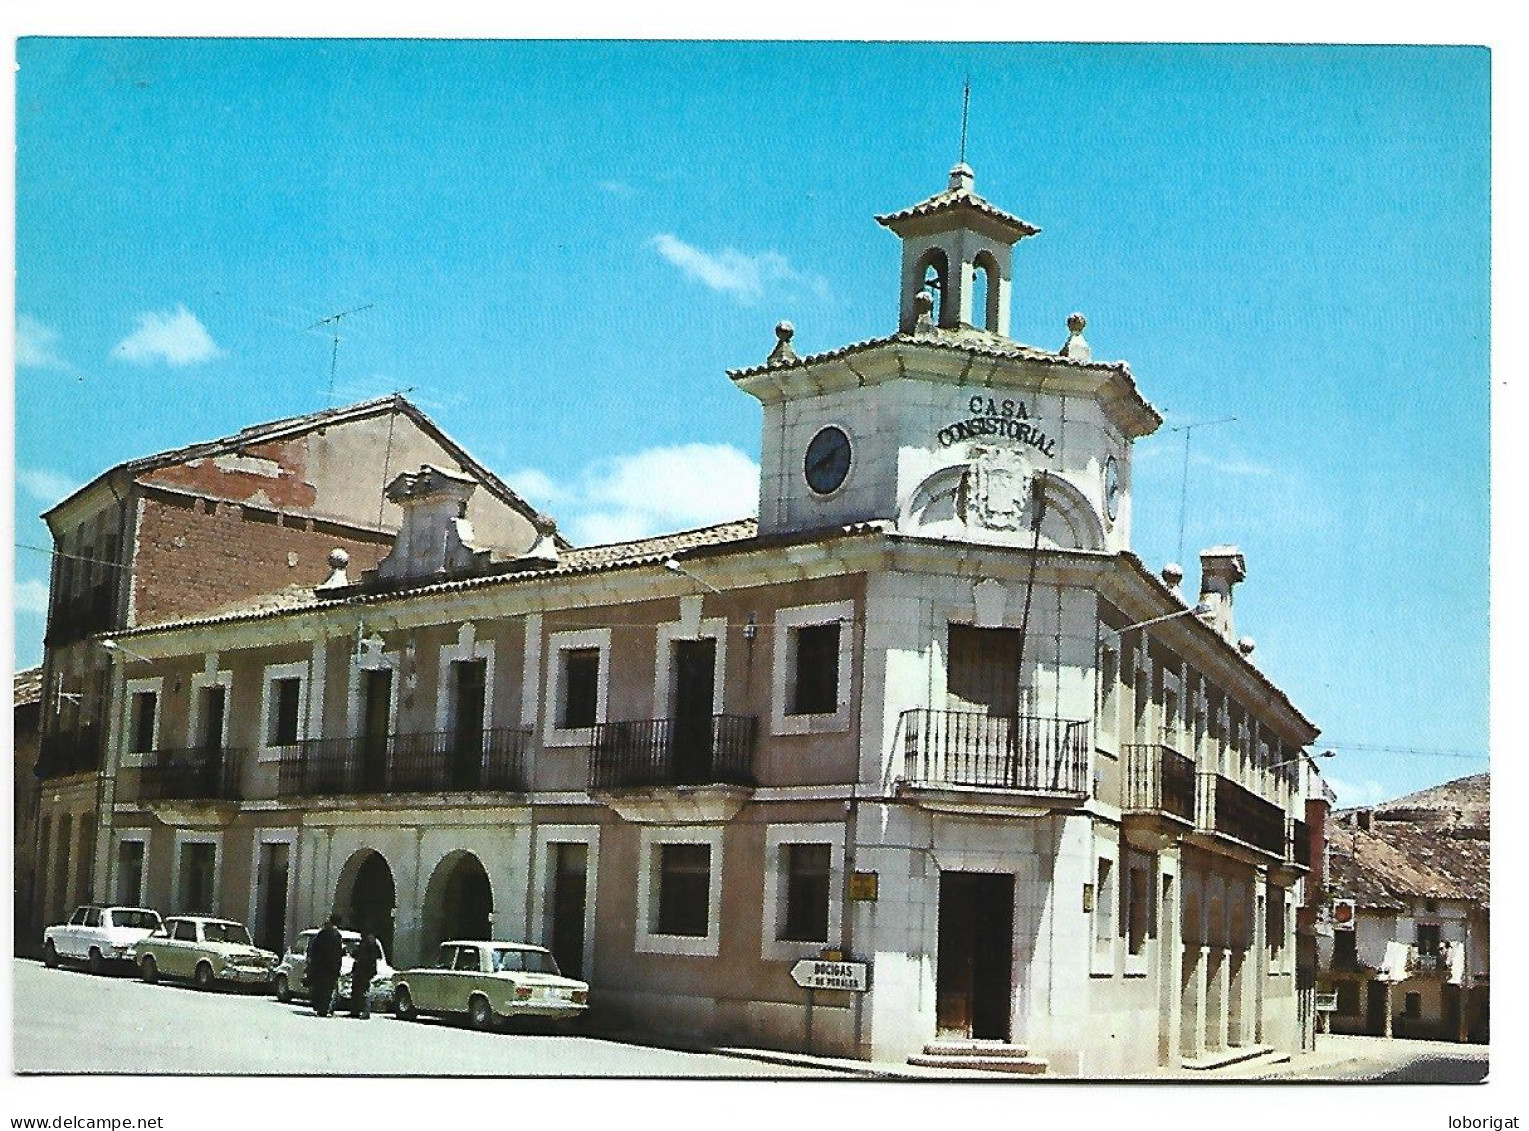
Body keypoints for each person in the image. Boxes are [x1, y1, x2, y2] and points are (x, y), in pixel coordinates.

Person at [305, 914, 344, 1017]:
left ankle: (320, 1007)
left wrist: (313, 964)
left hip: (320, 966)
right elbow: (337, 954)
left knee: (320, 987)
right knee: (327, 989)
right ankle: (324, 1008)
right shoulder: (336, 936)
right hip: (330, 967)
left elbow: (314, 949)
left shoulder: (322, 934)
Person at [349, 931, 382, 1020]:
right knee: (362, 991)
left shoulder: (365, 945)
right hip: (366, 971)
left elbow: (358, 956)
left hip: (362, 971)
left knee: (361, 991)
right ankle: (359, 1010)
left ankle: (361, 1010)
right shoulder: (373, 944)